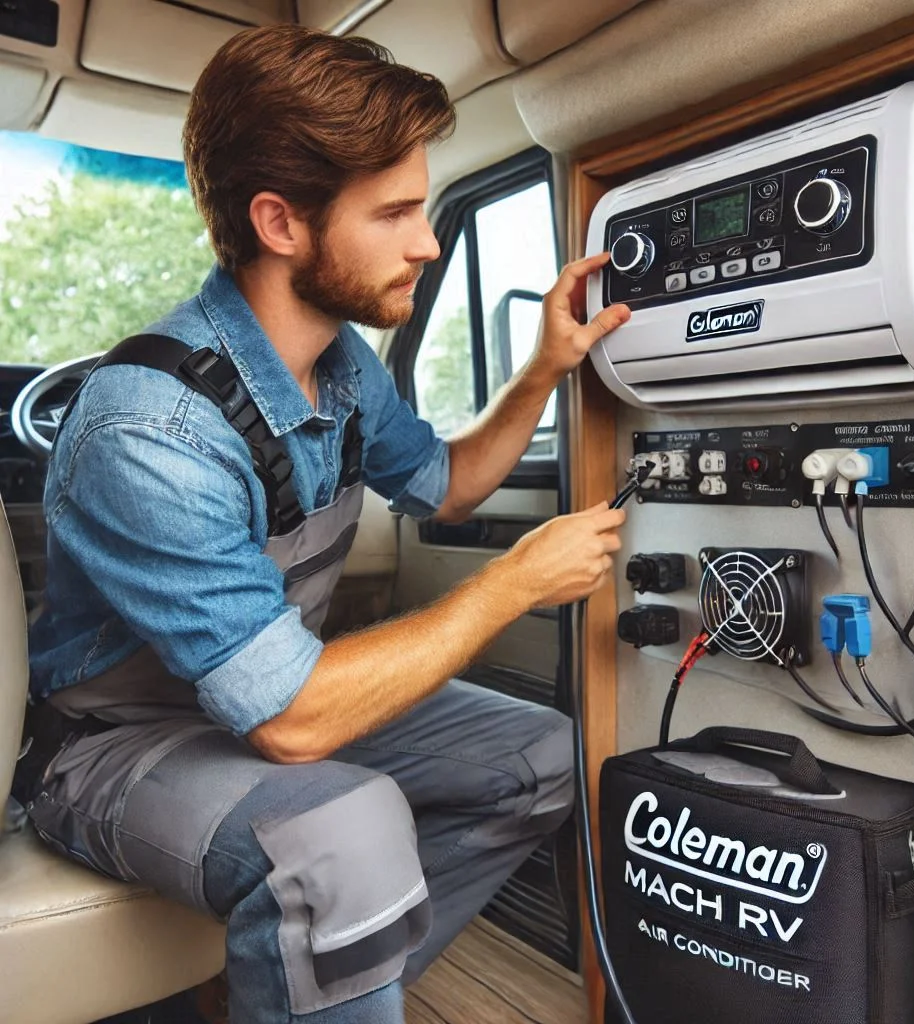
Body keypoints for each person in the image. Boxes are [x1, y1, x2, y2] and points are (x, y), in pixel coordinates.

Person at [18, 23, 631, 1024]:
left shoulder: (342, 369)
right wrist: (511, 582)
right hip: (115, 748)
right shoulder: (150, 425)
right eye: (393, 213)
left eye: (424, 207)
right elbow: (294, 720)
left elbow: (447, 483)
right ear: (281, 222)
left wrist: (544, 370)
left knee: (540, 757)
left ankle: (284, 995)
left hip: (255, 714)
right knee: (344, 828)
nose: (427, 242)